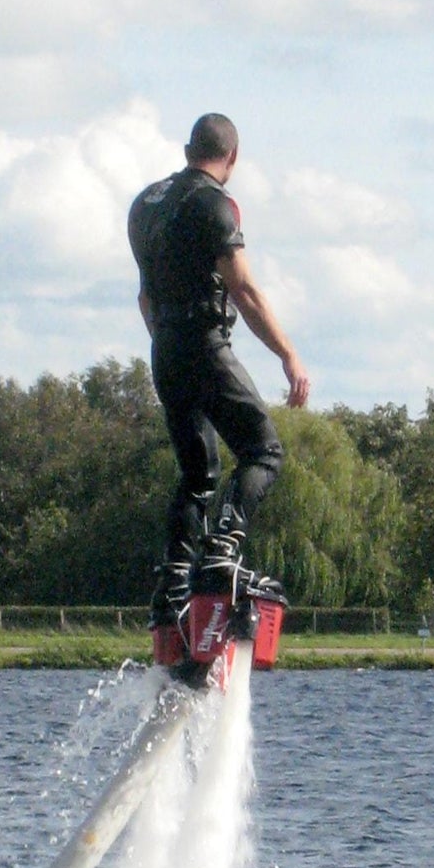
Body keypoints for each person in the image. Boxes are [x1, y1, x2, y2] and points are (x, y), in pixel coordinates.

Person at [129, 113, 310, 627]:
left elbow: (145, 295)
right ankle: (221, 553)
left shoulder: (145, 205)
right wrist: (287, 354)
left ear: (188, 149)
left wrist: (169, 349)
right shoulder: (216, 205)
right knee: (263, 450)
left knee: (197, 474)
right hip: (203, 343)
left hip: (163, 346)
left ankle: (172, 587)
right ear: (232, 157)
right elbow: (244, 291)